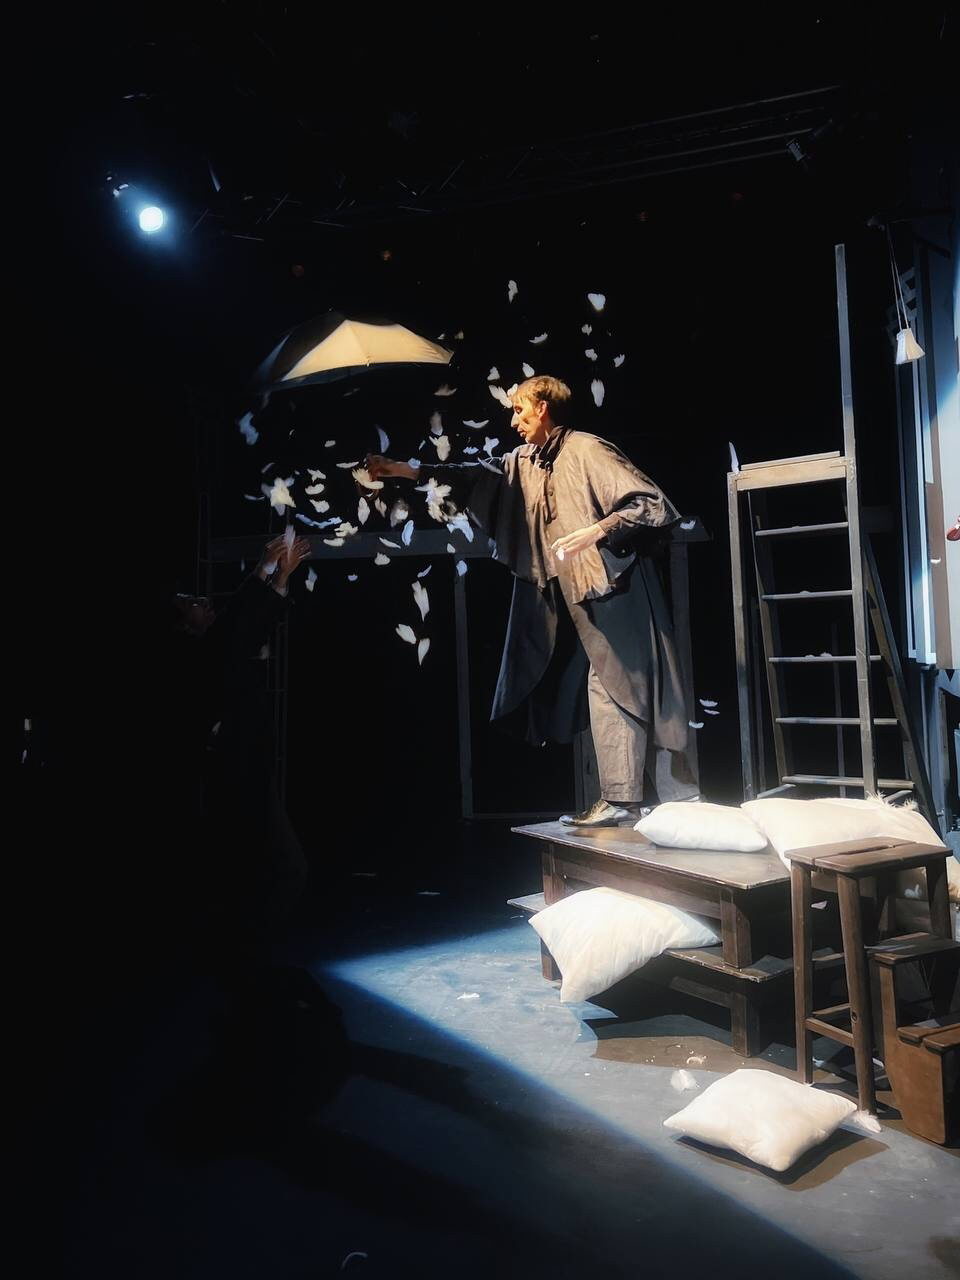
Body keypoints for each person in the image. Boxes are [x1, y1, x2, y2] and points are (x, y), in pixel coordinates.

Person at [367, 375, 700, 827]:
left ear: (542, 408)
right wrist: (402, 471)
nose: (513, 421)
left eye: (519, 410)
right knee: (605, 685)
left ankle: (660, 800)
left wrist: (596, 530)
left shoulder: (586, 449)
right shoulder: (524, 461)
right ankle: (632, 799)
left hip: (614, 587)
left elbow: (649, 502)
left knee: (630, 685)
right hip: (570, 593)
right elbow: (471, 476)